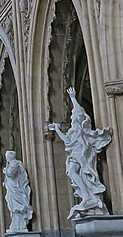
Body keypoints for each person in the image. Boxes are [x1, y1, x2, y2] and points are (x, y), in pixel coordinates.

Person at [48, 88, 112, 219]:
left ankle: (91, 197)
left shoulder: (83, 131)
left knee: (85, 174)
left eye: (74, 116)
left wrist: (73, 98)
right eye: (72, 116)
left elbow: (79, 111)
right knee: (72, 171)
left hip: (84, 158)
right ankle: (86, 195)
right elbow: (66, 140)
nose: (72, 117)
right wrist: (57, 129)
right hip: (75, 156)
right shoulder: (72, 132)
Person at [2, 151, 33, 232]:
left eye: (7, 156)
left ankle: (21, 225)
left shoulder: (15, 164)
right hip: (11, 189)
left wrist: (6, 170)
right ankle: (16, 223)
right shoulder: (11, 164)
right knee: (12, 206)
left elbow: (11, 173)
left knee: (18, 206)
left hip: (16, 188)